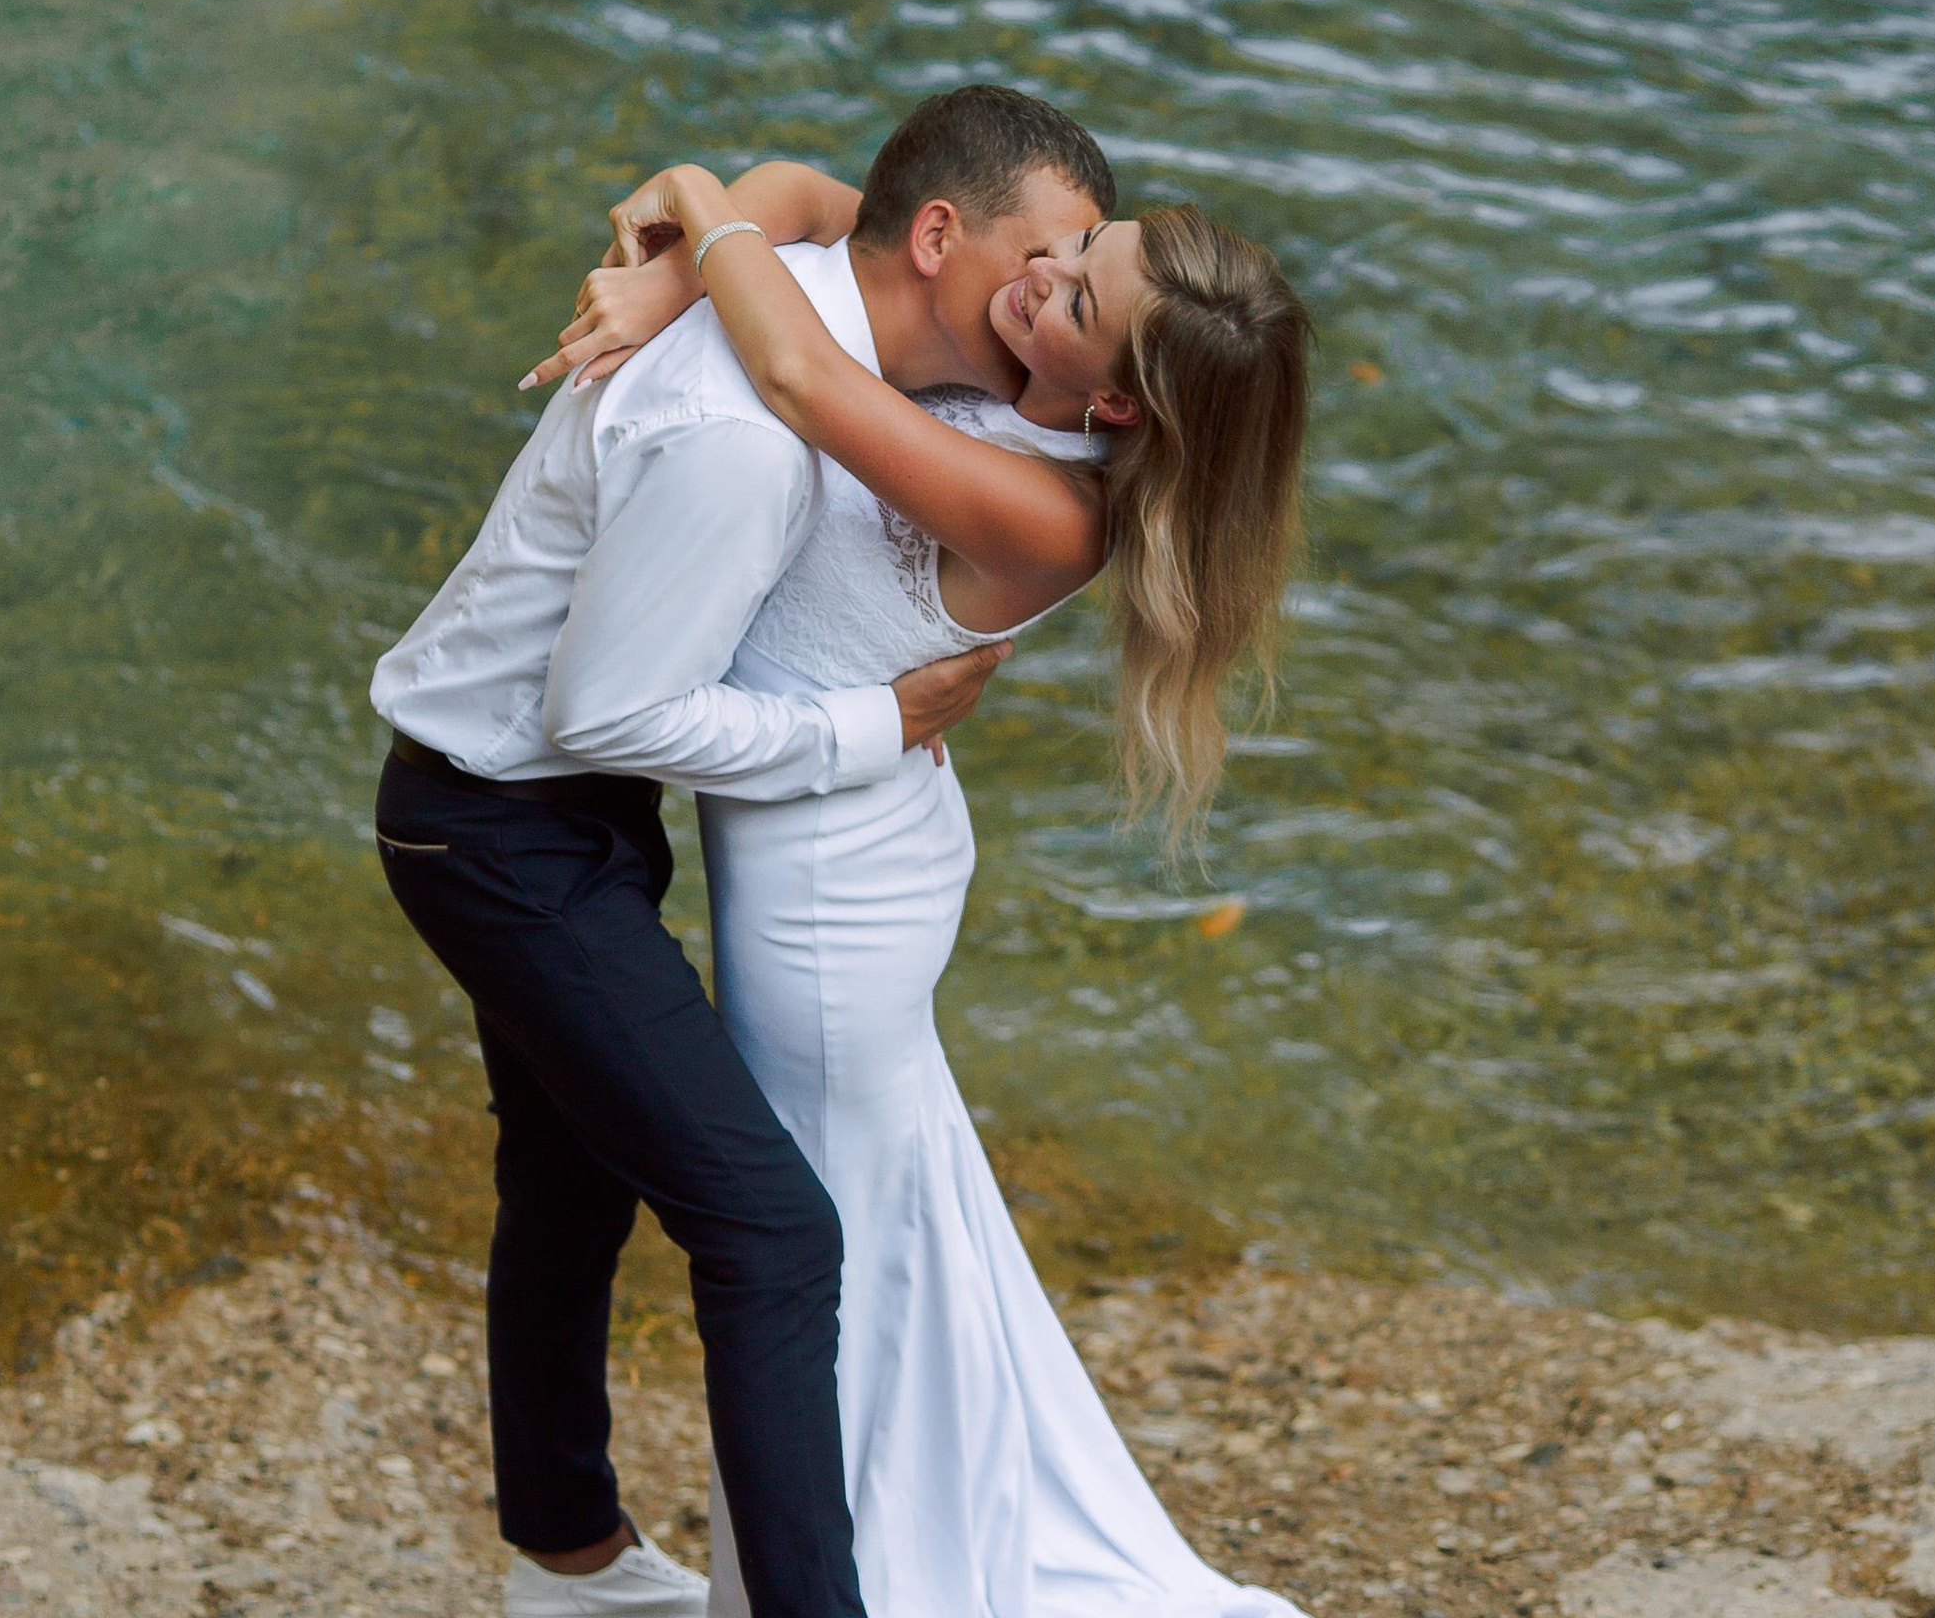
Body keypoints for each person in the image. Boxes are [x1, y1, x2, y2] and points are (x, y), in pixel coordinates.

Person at [524, 151, 1313, 1618]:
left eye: (1080, 289)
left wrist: (694, 204)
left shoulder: (1050, 509)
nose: (1043, 271)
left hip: (832, 904)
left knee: (825, 1262)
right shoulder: (1027, 379)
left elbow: (803, 380)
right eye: (1075, 243)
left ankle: (856, 1584)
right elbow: (833, 203)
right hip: (855, 830)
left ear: (1123, 406)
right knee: (883, 1233)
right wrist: (673, 266)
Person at [369, 87, 1116, 1618]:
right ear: (942, 240)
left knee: (567, 1182)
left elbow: (805, 203)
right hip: (500, 832)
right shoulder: (747, 435)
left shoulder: (830, 322)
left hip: (541, 810)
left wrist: (700, 234)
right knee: (773, 1234)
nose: (1049, 297)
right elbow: (618, 706)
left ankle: (567, 1564)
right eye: (1046, 258)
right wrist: (876, 723)